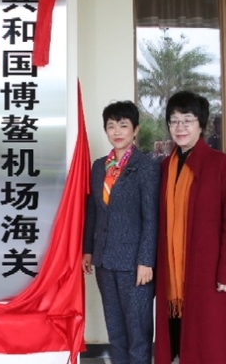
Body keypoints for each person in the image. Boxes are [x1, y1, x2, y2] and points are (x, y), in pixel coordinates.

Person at [154, 91, 226, 364]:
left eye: (187, 120)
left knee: (209, 345)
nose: (180, 127)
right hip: (172, 275)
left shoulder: (220, 164)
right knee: (177, 339)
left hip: (207, 275)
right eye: (174, 121)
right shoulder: (167, 165)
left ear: (201, 125)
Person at [82, 101, 160, 364]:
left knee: (137, 333)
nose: (117, 131)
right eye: (111, 126)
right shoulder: (99, 166)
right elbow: (92, 211)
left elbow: (151, 218)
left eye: (123, 125)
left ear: (135, 130)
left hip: (134, 264)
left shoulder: (147, 166)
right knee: (115, 331)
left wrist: (146, 261)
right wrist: (88, 250)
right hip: (104, 261)